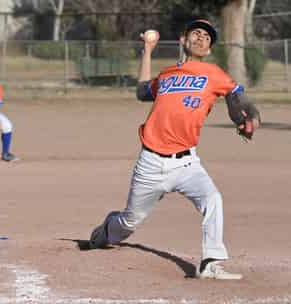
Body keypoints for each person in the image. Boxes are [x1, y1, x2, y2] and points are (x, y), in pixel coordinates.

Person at [88, 19, 260, 280]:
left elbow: (237, 97)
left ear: (210, 48)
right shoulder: (168, 74)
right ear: (183, 40)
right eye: (197, 33)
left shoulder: (214, 74)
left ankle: (210, 263)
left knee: (212, 199)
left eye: (207, 37)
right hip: (151, 162)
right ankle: (105, 231)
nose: (202, 38)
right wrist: (147, 50)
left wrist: (250, 117)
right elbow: (142, 91)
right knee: (129, 223)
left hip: (186, 163)